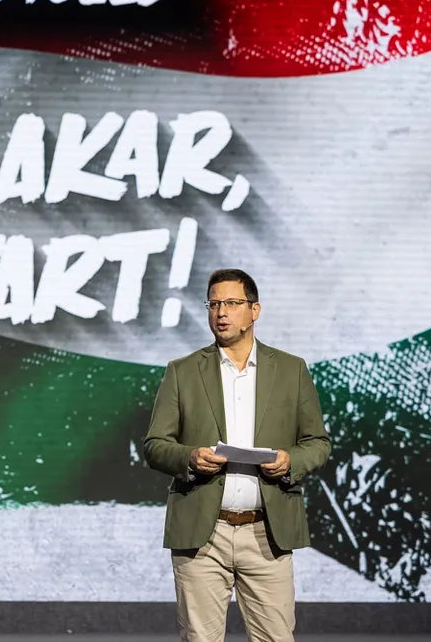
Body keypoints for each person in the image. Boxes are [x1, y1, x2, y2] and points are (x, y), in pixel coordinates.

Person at [143, 268, 331, 642]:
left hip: (267, 532)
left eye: (232, 303)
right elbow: (155, 446)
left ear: (254, 310)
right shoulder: (182, 371)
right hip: (203, 534)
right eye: (213, 304)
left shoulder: (291, 370)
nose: (221, 312)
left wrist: (290, 461)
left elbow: (317, 442)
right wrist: (190, 458)